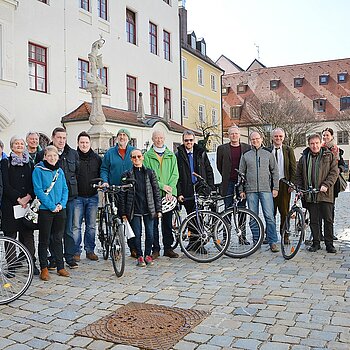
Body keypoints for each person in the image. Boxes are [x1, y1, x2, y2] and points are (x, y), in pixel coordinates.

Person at [37, 127, 80, 269]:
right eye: (59, 138)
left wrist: (63, 201)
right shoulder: (41, 155)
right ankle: (53, 259)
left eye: (64, 138)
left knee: (68, 230)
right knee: (50, 234)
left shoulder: (72, 153)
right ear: (53, 138)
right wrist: (51, 204)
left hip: (68, 198)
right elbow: (38, 185)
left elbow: (75, 175)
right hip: (48, 202)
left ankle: (68, 257)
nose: (61, 140)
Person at [1, 136, 39, 274]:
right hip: (10, 205)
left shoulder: (30, 163)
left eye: (21, 143)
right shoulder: (6, 163)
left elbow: (33, 182)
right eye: (16, 143)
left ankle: (31, 263)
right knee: (10, 236)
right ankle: (11, 266)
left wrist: (28, 196)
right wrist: (18, 198)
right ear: (11, 146)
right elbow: (5, 184)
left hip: (26, 205)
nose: (19, 145)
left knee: (28, 235)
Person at [296, 133, 338, 253]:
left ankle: (329, 244)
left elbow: (334, 172)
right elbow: (298, 175)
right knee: (314, 220)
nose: (314, 146)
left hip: (325, 194)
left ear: (320, 143)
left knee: (328, 220)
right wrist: (299, 188)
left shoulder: (329, 155)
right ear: (309, 145)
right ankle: (316, 242)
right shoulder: (304, 158)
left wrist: (326, 185)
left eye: (316, 143)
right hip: (310, 194)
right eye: (312, 144)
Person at [239, 131, 280, 252]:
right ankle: (256, 241)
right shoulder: (246, 155)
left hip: (266, 189)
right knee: (253, 217)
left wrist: (275, 187)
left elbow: (275, 172)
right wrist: (241, 189)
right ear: (250, 141)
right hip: (250, 190)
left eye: (257, 139)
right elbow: (241, 173)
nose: (255, 141)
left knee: (269, 216)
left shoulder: (268, 154)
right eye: (252, 139)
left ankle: (272, 241)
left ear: (261, 139)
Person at [33, 146, 70, 280]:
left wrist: (61, 204)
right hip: (45, 210)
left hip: (60, 209)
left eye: (54, 156)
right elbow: (38, 191)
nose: (52, 158)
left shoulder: (60, 171)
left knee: (58, 239)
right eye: (49, 156)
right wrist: (51, 206)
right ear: (45, 157)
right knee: (44, 239)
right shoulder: (38, 170)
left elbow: (65, 189)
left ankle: (60, 266)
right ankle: (44, 267)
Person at [120, 149, 162, 267]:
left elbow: (156, 192)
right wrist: (123, 212)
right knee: (137, 234)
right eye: (134, 157)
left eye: (139, 156)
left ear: (142, 157)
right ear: (131, 159)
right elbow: (122, 194)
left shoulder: (150, 172)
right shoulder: (127, 174)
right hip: (134, 209)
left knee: (150, 233)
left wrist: (158, 209)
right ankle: (139, 255)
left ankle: (147, 254)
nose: (137, 159)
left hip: (148, 208)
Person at [100, 128, 136, 257]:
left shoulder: (133, 151)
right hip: (113, 189)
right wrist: (105, 181)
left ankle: (133, 247)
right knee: (115, 217)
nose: (122, 137)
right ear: (116, 138)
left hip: (129, 189)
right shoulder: (110, 153)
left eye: (124, 135)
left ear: (128, 138)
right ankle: (116, 247)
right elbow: (104, 169)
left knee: (130, 218)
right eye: (120, 135)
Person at [143, 130, 179, 259]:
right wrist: (163, 186)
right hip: (153, 193)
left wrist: (170, 189)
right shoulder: (147, 156)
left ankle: (168, 248)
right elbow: (148, 176)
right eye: (156, 138)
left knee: (167, 223)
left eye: (161, 138)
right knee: (153, 223)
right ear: (152, 139)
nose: (159, 140)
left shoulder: (171, 155)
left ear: (164, 139)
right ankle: (155, 248)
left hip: (168, 195)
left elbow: (175, 174)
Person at [73, 132, 102, 261]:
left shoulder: (96, 158)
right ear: (78, 143)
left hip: (92, 196)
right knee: (76, 226)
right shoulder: (73, 157)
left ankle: (90, 250)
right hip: (77, 197)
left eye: (86, 142)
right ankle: (76, 251)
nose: (84, 145)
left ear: (90, 143)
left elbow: (102, 173)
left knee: (91, 226)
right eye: (82, 142)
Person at [176, 130, 214, 213]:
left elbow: (209, 171)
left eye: (191, 140)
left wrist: (210, 187)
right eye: (186, 140)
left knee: (200, 217)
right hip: (187, 190)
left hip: (200, 189)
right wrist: (179, 193)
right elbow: (176, 175)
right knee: (191, 217)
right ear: (183, 141)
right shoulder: (178, 155)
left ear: (194, 140)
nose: (189, 142)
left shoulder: (201, 153)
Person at [270, 128, 296, 244]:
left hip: (284, 184)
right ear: (272, 137)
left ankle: (285, 235)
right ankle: (270, 236)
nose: (278, 138)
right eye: (276, 136)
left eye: (280, 136)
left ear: (283, 137)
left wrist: (292, 183)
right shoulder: (267, 150)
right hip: (270, 185)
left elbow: (293, 168)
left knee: (284, 212)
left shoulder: (288, 150)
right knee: (270, 212)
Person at [217, 125, 250, 209]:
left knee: (242, 206)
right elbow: (219, 165)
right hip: (228, 182)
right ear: (228, 136)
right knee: (228, 206)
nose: (234, 135)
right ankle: (227, 222)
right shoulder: (222, 148)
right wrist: (226, 175)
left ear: (239, 135)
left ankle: (241, 223)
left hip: (242, 182)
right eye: (232, 134)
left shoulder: (247, 148)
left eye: (236, 133)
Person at [321, 127, 345, 241]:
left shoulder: (336, 150)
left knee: (330, 208)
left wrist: (338, 170)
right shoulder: (318, 148)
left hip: (332, 182)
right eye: (324, 135)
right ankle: (319, 233)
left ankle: (329, 233)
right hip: (319, 181)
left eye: (327, 135)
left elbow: (342, 164)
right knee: (318, 208)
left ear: (332, 136)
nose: (325, 137)